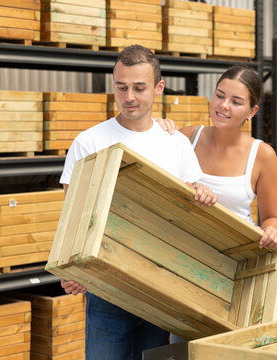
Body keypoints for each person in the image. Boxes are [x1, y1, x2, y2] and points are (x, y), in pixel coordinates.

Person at [58, 45, 217, 360]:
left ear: (158, 88)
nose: (129, 96)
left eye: (139, 87)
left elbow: (191, 209)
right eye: (122, 87)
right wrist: (70, 266)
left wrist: (204, 196)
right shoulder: (89, 142)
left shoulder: (176, 143)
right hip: (107, 285)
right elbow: (72, 213)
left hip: (161, 284)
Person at [160, 64, 277, 249]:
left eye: (236, 102)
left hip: (234, 255)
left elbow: (272, 218)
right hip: (182, 248)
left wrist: (272, 232)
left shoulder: (262, 155)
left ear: (252, 112)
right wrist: (156, 130)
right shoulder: (186, 137)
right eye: (219, 95)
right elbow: (159, 187)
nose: (224, 105)